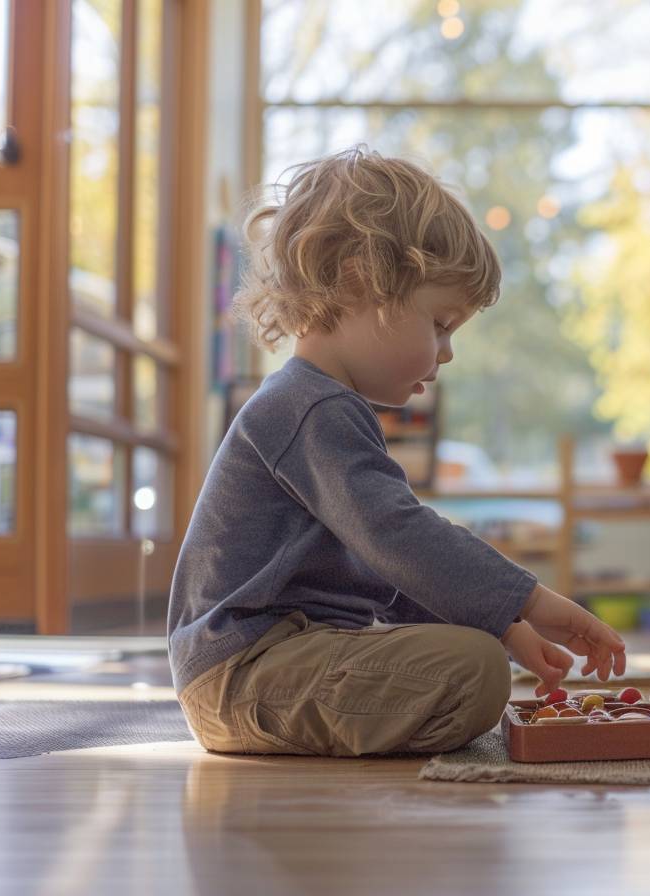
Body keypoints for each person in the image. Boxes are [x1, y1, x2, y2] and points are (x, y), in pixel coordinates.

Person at [168, 146, 626, 756]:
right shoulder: (310, 407)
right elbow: (399, 536)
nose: (447, 351)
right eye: (440, 323)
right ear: (363, 281)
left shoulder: (322, 405)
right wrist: (527, 599)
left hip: (270, 663)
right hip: (243, 673)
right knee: (475, 671)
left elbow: (389, 565)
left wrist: (507, 624)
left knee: (477, 659)